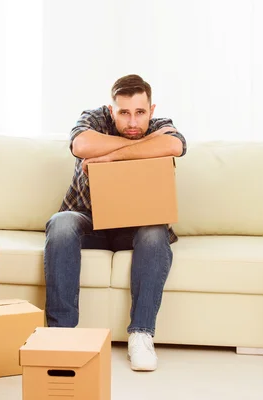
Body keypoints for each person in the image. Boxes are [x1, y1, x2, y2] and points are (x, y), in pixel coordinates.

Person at [43, 74, 187, 371]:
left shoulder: (161, 126)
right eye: (124, 113)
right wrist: (136, 148)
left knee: (154, 232)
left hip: (136, 225)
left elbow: (174, 146)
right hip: (88, 219)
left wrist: (110, 157)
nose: (132, 123)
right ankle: (61, 335)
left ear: (151, 109)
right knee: (60, 223)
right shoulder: (94, 119)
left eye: (139, 113)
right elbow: (81, 144)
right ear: (112, 111)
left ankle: (141, 335)